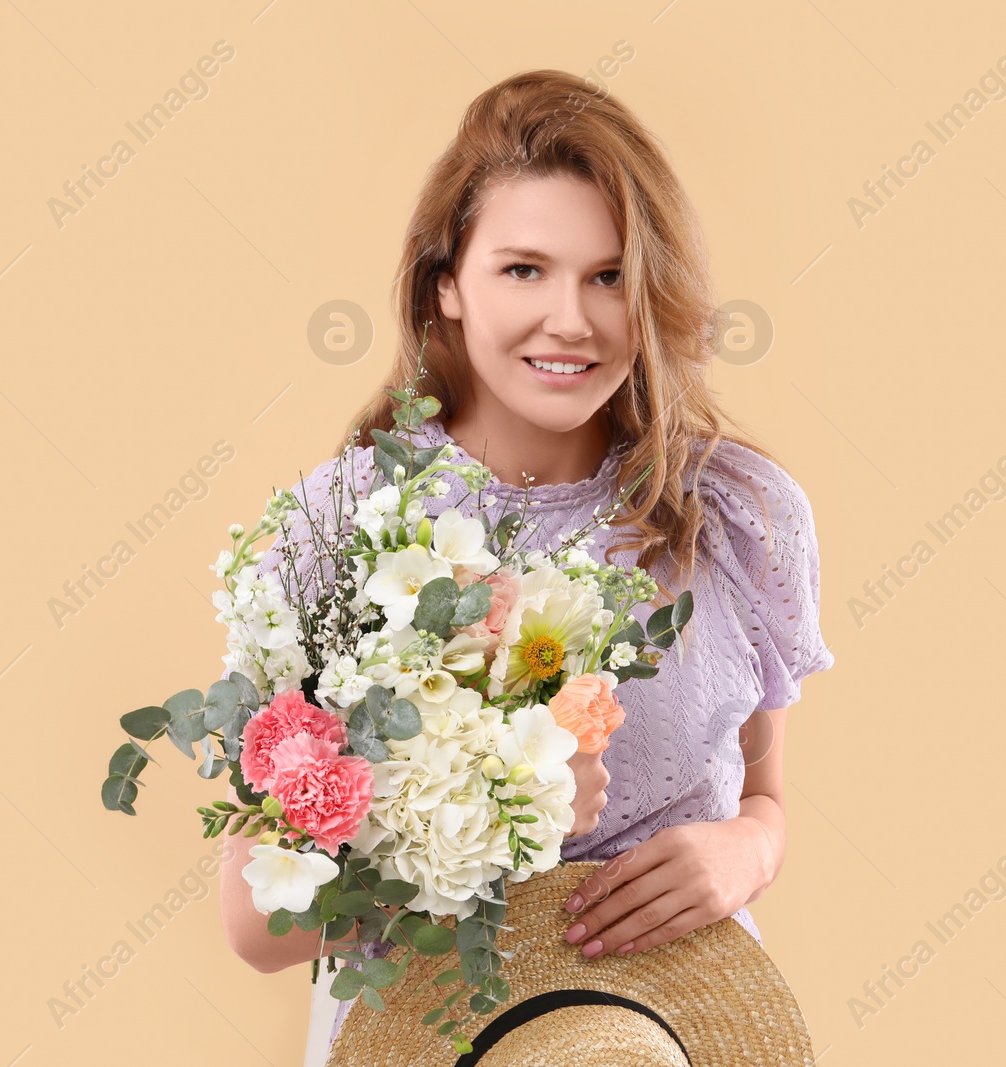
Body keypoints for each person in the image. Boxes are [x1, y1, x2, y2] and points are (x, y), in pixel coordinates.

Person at [217, 68, 834, 1059]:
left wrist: (748, 847)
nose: (572, 320)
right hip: (447, 1031)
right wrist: (499, 810)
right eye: (523, 269)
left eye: (606, 275)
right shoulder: (341, 528)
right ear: (446, 285)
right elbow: (260, 921)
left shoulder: (737, 516)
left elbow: (765, 796)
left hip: (662, 1029)